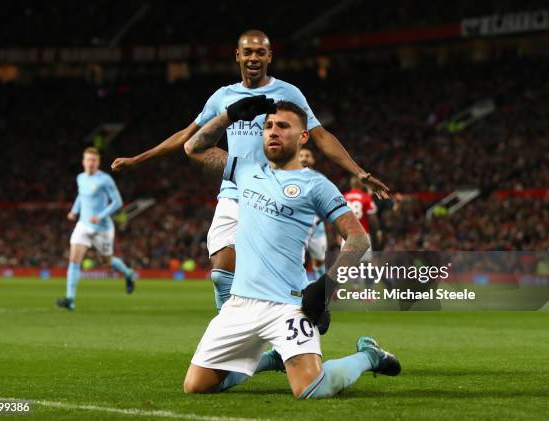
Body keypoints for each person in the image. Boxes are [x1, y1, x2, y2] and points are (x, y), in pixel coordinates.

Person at [111, 29, 389, 314]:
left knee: (271, 284)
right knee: (221, 273)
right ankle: (234, 336)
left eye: (260, 52)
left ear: (269, 56)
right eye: (248, 52)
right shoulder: (223, 97)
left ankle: (290, 331)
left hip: (275, 195)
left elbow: (320, 135)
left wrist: (359, 171)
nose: (253, 57)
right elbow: (188, 136)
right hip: (234, 188)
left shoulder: (288, 93)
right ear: (238, 56)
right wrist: (138, 159)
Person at [182, 97, 400, 398]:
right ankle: (273, 358)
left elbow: (359, 238)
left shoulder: (316, 185)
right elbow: (193, 148)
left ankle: (369, 356)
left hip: (288, 304)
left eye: (283, 126)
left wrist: (325, 287)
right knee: (197, 386)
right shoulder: (245, 171)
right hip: (240, 304)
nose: (273, 131)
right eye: (269, 125)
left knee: (310, 390)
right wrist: (228, 116)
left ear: (303, 136)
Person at [56, 147, 135, 310]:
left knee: (106, 262)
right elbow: (81, 195)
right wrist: (74, 210)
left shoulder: (105, 180)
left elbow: (117, 202)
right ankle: (70, 300)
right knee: (74, 259)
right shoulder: (80, 178)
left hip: (102, 228)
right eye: (88, 160)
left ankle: (128, 274)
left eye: (94, 160)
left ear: (98, 162)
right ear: (83, 162)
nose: (91, 163)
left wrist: (100, 215)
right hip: (83, 225)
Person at [299, 147, 328, 278]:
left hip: (317, 230)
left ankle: (322, 290)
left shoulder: (320, 179)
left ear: (313, 160)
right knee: (295, 261)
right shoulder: (287, 176)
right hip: (296, 228)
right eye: (301, 155)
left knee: (319, 263)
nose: (304, 158)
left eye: (307, 155)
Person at [344, 176, 381, 250]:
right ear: (361, 185)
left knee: (347, 261)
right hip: (363, 235)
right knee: (365, 262)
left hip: (347, 236)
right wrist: (377, 232)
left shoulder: (343, 197)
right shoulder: (366, 197)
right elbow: (372, 219)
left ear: (351, 185)